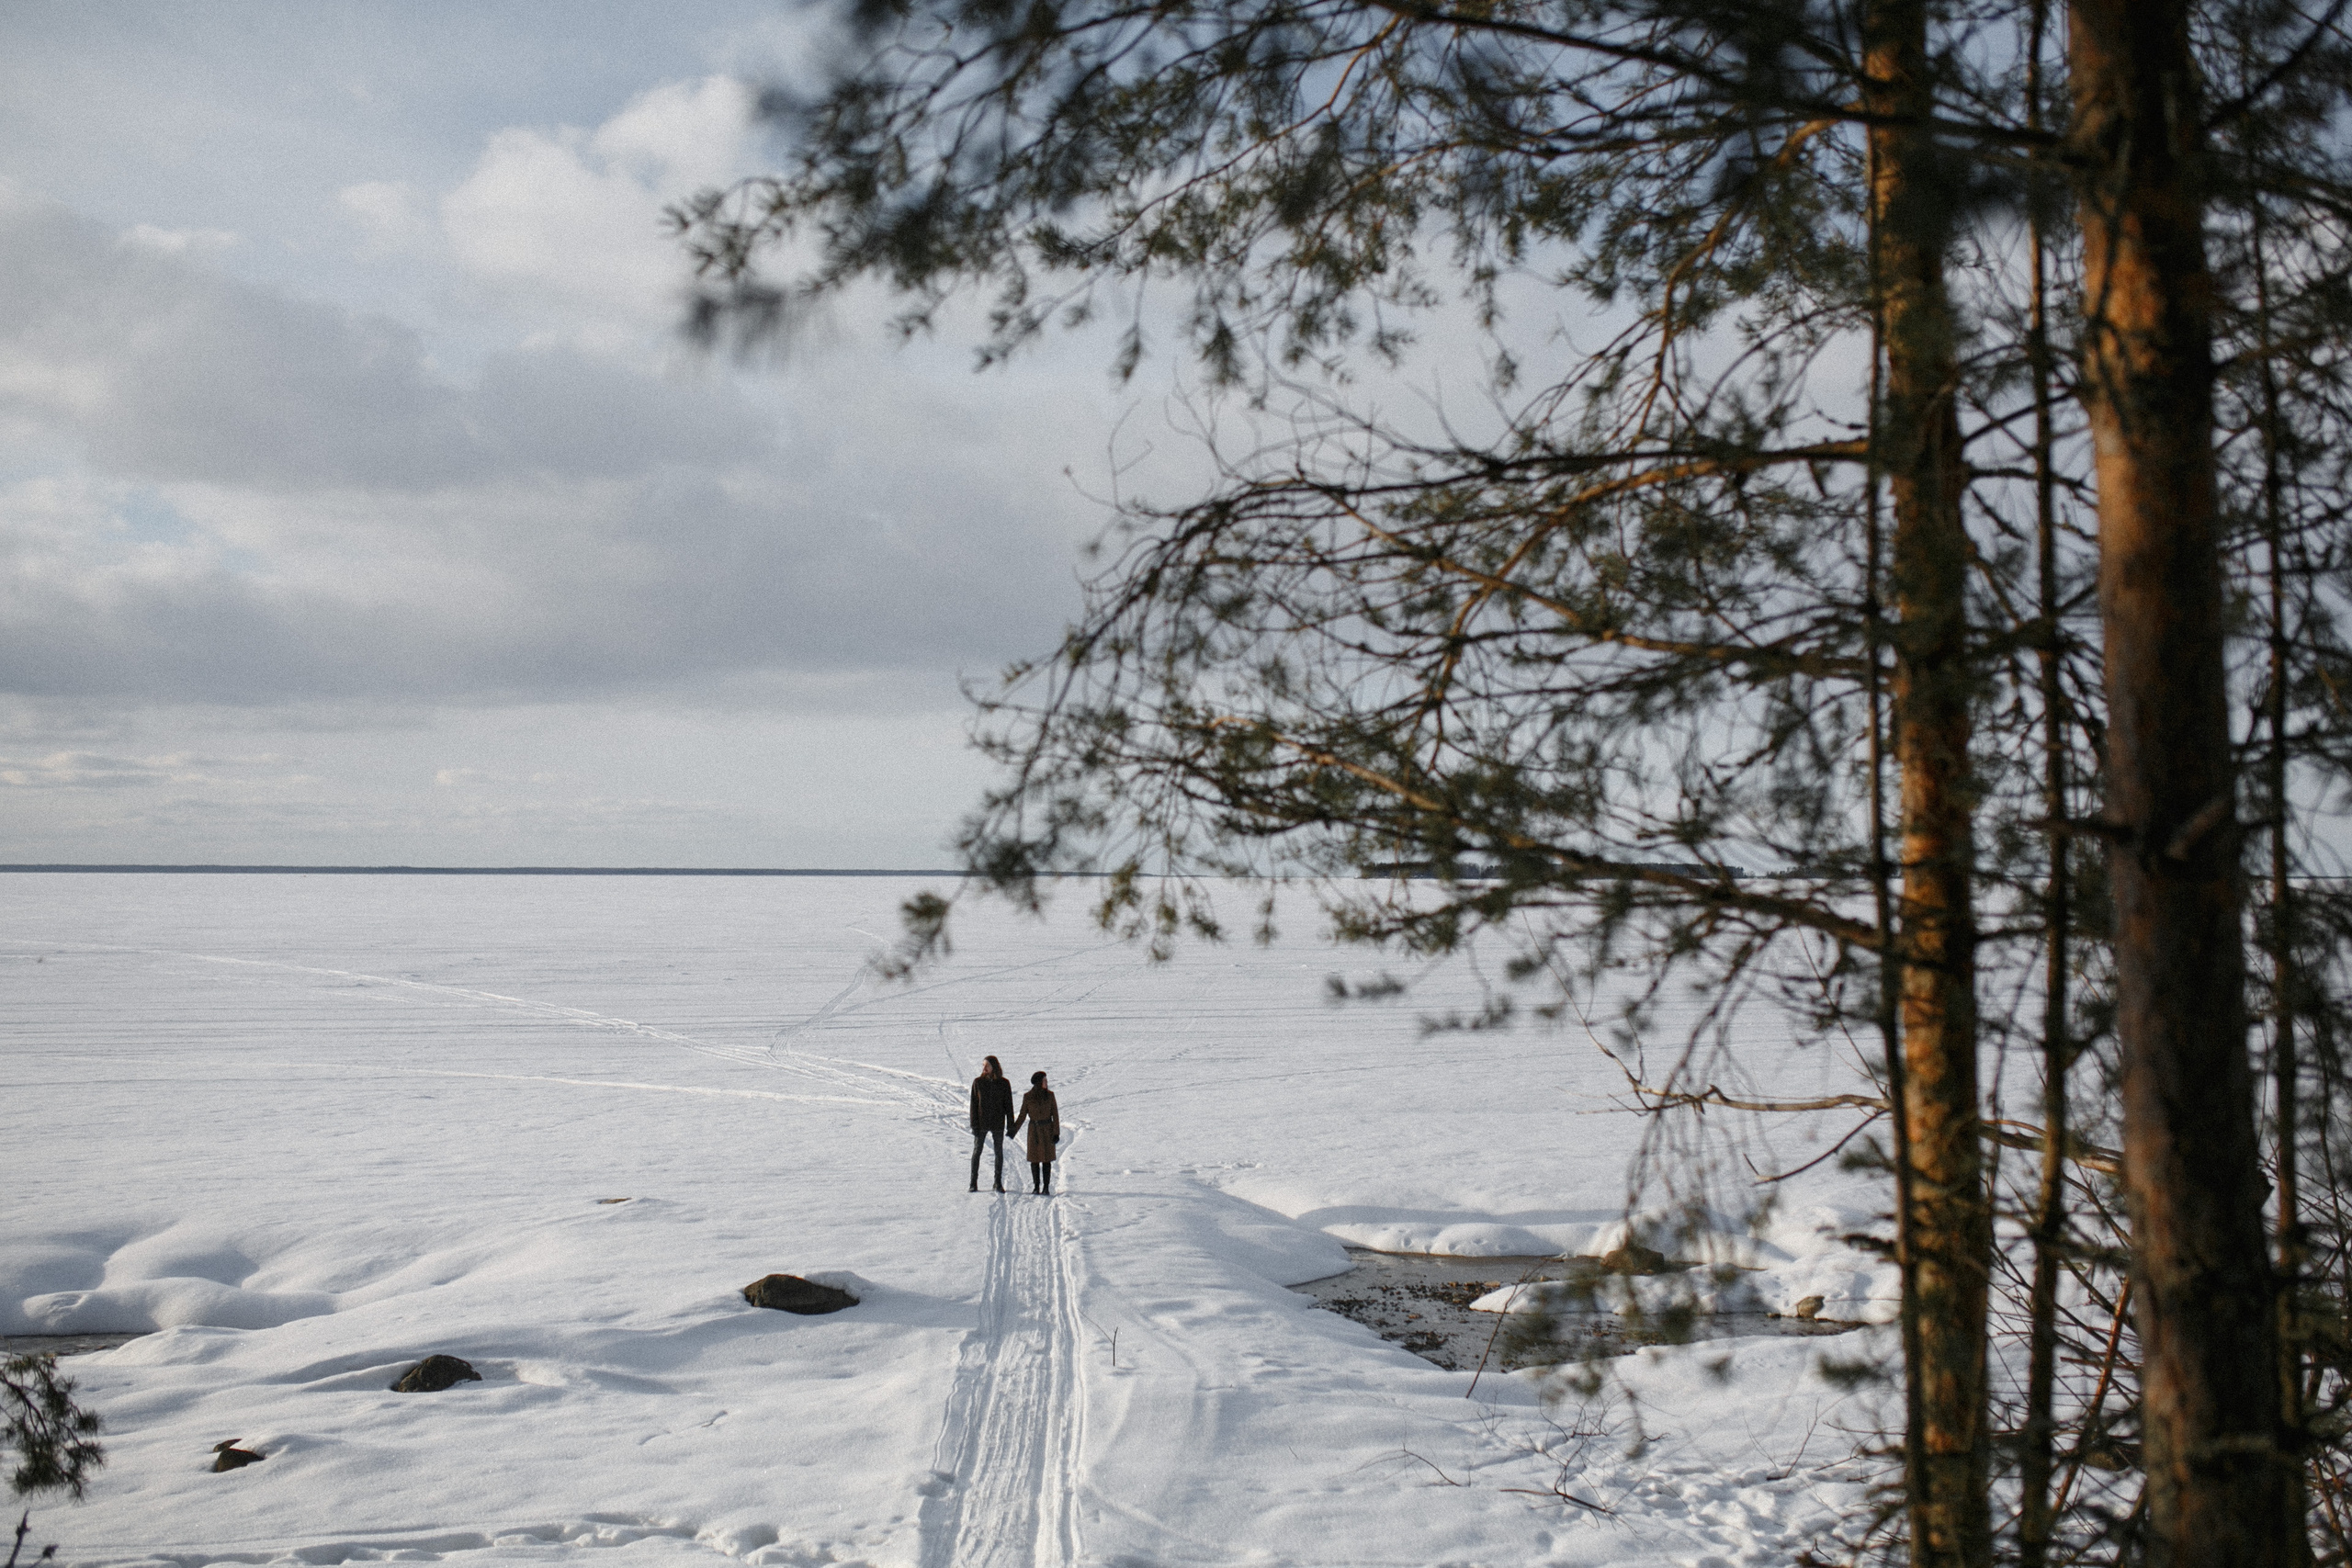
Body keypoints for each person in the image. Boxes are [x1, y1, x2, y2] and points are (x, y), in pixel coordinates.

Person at [967, 1055, 1013, 1192]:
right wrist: (974, 1125)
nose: (984, 1068)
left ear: (994, 1067)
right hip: (981, 1123)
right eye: (983, 1065)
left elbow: (1009, 1106)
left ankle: (997, 1183)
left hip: (998, 1122)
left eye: (987, 1065)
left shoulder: (1004, 1083)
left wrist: (1011, 1126)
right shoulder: (978, 1083)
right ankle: (973, 1182)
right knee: (977, 1152)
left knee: (998, 1153)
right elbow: (973, 1106)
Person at [1011, 1069, 1060, 1195]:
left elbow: (1055, 1115)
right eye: (1044, 1080)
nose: (1046, 1082)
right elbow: (1022, 1115)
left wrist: (1056, 1133)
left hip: (1048, 1130)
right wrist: (1013, 1130)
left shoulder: (1050, 1095)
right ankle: (1036, 1187)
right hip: (1034, 1131)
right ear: (1039, 1082)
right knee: (1035, 1160)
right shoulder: (1028, 1097)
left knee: (1047, 1160)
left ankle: (1046, 1188)